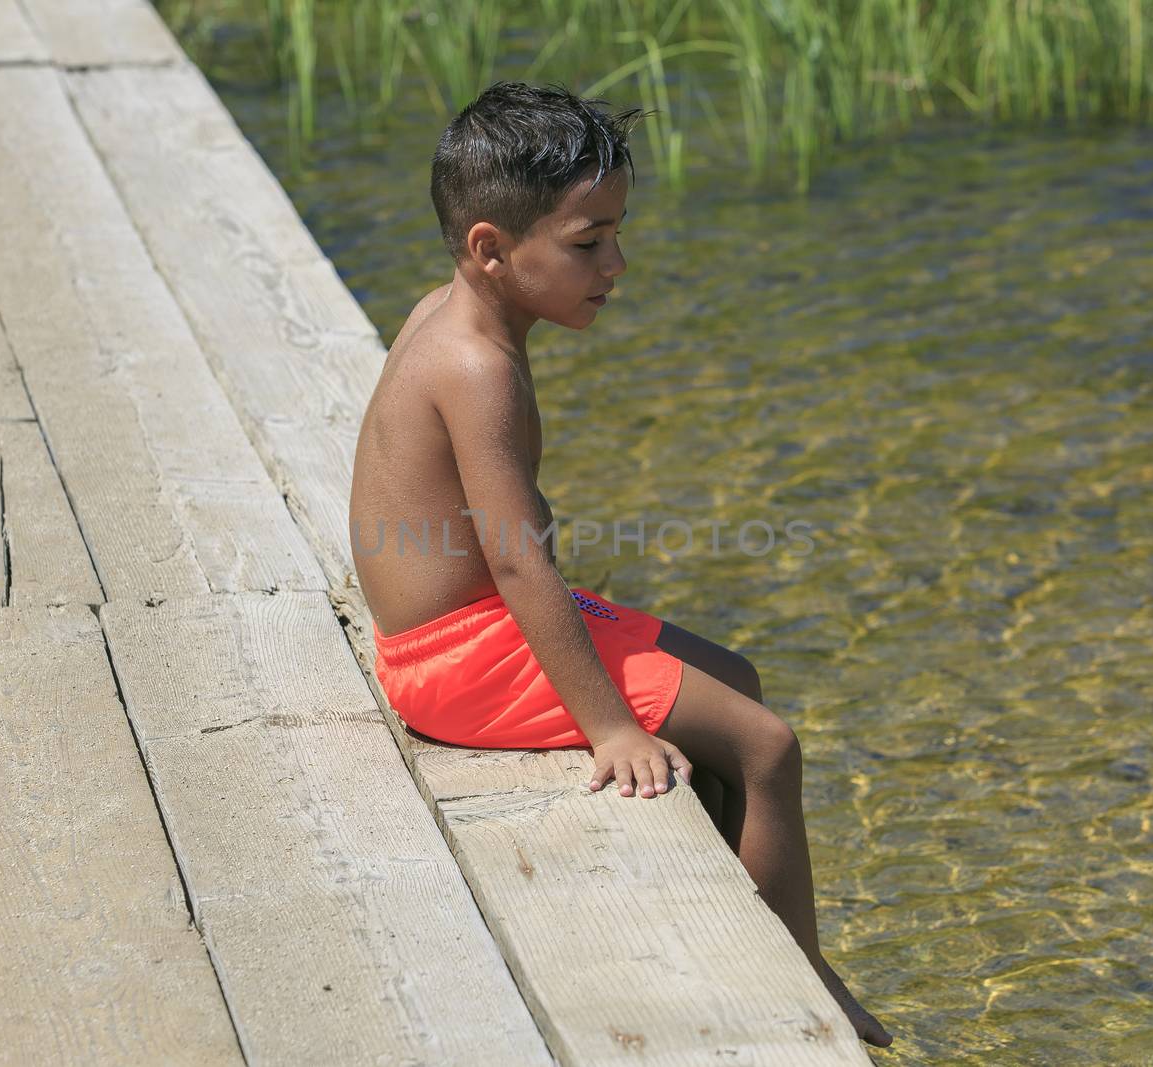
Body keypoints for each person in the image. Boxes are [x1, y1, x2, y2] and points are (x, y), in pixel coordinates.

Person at [347, 80, 892, 1049]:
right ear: (490, 249)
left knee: (738, 680)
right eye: (587, 242)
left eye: (616, 233)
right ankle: (805, 987)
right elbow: (519, 568)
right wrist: (608, 726)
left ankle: (748, 927)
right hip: (458, 657)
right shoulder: (477, 369)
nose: (616, 263)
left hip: (472, 627)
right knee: (768, 746)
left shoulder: (457, 313)